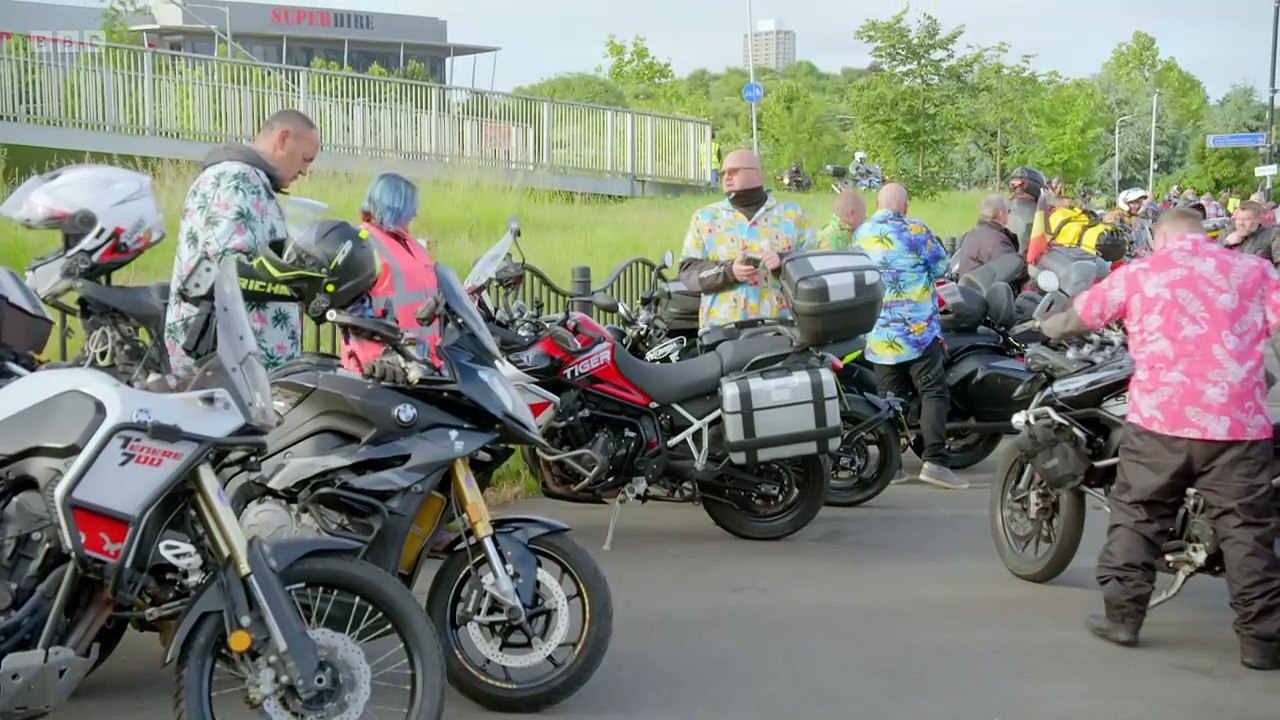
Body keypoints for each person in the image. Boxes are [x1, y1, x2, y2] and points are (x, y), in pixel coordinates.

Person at [1027, 207, 1280, 670]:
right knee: (1248, 533)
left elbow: (1084, 314)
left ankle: (1122, 620)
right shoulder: (1254, 270)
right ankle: (1262, 645)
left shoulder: (1143, 272)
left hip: (1161, 421)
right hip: (1236, 424)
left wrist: (1046, 326)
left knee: (1138, 517)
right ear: (1203, 234)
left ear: (1161, 238)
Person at [162, 109, 321, 375]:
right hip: (227, 365)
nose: (304, 171)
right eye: (306, 159)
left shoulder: (252, 182)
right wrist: (300, 281)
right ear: (283, 139)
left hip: (239, 364)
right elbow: (226, 269)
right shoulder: (237, 181)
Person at [853, 183, 966, 489]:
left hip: (878, 332)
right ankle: (936, 462)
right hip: (916, 333)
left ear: (877, 204)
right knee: (933, 392)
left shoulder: (861, 234)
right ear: (905, 206)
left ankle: (894, 467)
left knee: (889, 400)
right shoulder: (915, 231)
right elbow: (942, 266)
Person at [678, 149, 820, 331]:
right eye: (723, 173)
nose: (726, 177)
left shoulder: (792, 215)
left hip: (780, 329)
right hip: (721, 332)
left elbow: (815, 265)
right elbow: (688, 272)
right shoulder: (704, 218)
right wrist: (730, 272)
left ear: (756, 175)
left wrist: (783, 262)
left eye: (734, 171)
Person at [341, 172, 443, 384]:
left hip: (418, 362)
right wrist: (387, 345)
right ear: (395, 207)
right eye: (410, 208)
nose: (414, 214)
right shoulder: (363, 244)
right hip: (380, 368)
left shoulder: (410, 243)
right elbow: (353, 313)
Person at [949, 194, 1022, 278]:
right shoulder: (996, 240)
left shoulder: (973, 233)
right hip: (985, 290)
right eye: (1008, 211)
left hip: (970, 287)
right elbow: (1013, 270)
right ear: (1001, 214)